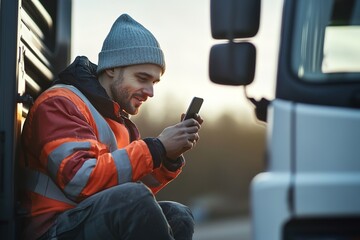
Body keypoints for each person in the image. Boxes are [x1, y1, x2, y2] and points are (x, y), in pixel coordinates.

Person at [20, 13, 203, 240]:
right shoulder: (59, 104)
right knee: (134, 199)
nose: (150, 92)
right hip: (50, 229)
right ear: (111, 69)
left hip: (88, 218)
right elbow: (81, 180)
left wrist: (168, 157)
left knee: (179, 214)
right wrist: (157, 148)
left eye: (154, 83)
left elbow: (126, 182)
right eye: (142, 78)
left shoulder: (118, 121)